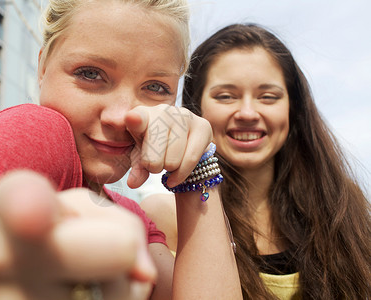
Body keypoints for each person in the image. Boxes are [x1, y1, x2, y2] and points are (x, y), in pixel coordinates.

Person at [0, 1, 242, 299]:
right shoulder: (40, 132)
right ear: (43, 66)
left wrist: (196, 165)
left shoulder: (133, 219)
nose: (120, 116)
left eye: (156, 87)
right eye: (90, 74)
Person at [141, 23, 370, 299]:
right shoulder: (167, 215)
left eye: (268, 97)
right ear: (196, 107)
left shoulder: (344, 207)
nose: (247, 112)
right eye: (225, 96)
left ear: (293, 108)